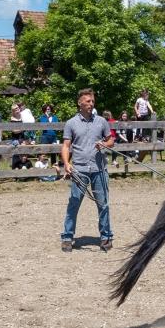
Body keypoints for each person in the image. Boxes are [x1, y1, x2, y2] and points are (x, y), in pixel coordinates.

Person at [60, 88, 115, 253]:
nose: (91, 104)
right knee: (74, 203)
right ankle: (67, 237)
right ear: (80, 103)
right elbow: (66, 146)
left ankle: (105, 237)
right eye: (88, 101)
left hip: (99, 169)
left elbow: (111, 140)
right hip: (80, 169)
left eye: (92, 101)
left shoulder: (101, 122)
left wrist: (105, 144)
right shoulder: (71, 123)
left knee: (103, 204)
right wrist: (66, 163)